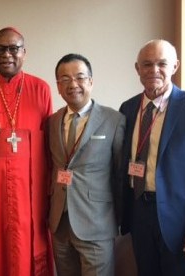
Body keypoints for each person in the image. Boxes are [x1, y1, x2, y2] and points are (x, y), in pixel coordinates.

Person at [120, 39, 185, 276]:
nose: (154, 70)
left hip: (180, 221)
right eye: (147, 64)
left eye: (161, 64)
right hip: (139, 214)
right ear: (137, 69)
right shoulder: (128, 108)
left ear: (175, 66)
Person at [0, 27, 53, 276]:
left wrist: (50, 193)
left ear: (24, 52)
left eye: (13, 48)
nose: (7, 54)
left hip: (30, 191)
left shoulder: (41, 89)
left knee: (27, 242)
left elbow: (49, 147)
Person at [47, 53, 125, 276]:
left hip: (97, 223)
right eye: (65, 79)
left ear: (91, 81)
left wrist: (116, 219)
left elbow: (119, 175)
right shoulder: (52, 121)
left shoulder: (114, 120)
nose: (73, 84)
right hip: (60, 223)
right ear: (58, 87)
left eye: (80, 77)